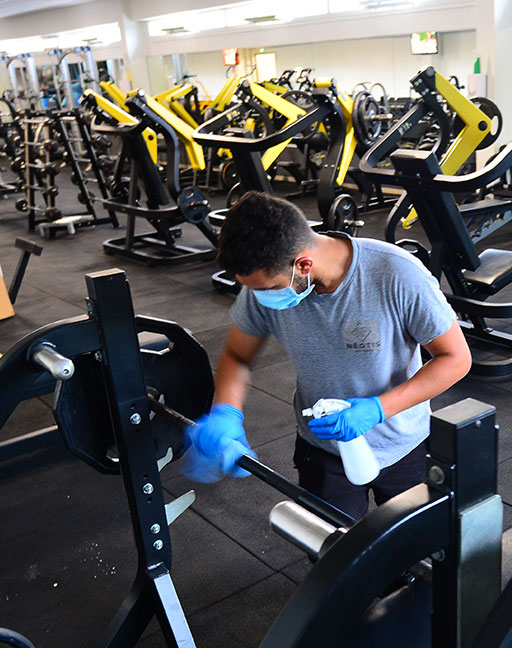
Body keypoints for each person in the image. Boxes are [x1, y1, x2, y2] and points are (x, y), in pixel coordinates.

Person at [185, 191, 471, 518]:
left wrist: (379, 409)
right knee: (332, 552)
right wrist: (226, 412)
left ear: (303, 264)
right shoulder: (262, 285)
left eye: (265, 289)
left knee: (415, 549)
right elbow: (237, 355)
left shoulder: (397, 274)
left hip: (402, 444)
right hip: (322, 449)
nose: (259, 296)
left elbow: (456, 359)